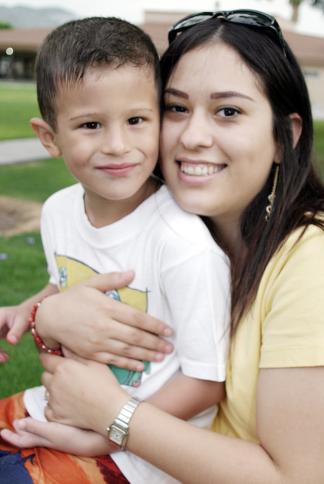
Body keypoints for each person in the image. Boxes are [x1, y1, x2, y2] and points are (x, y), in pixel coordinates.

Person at [2, 8, 324, 484]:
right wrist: (46, 314)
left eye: (228, 111)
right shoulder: (184, 227)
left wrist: (110, 415)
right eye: (176, 108)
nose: (193, 136)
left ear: (284, 137)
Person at [0, 16, 231, 483]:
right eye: (90, 124)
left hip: (135, 456)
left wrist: (104, 434)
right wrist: (29, 308)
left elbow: (208, 382)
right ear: (49, 137)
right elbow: (67, 281)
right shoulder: (58, 211)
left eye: (136, 120)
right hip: (57, 408)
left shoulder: (181, 243)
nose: (118, 145)